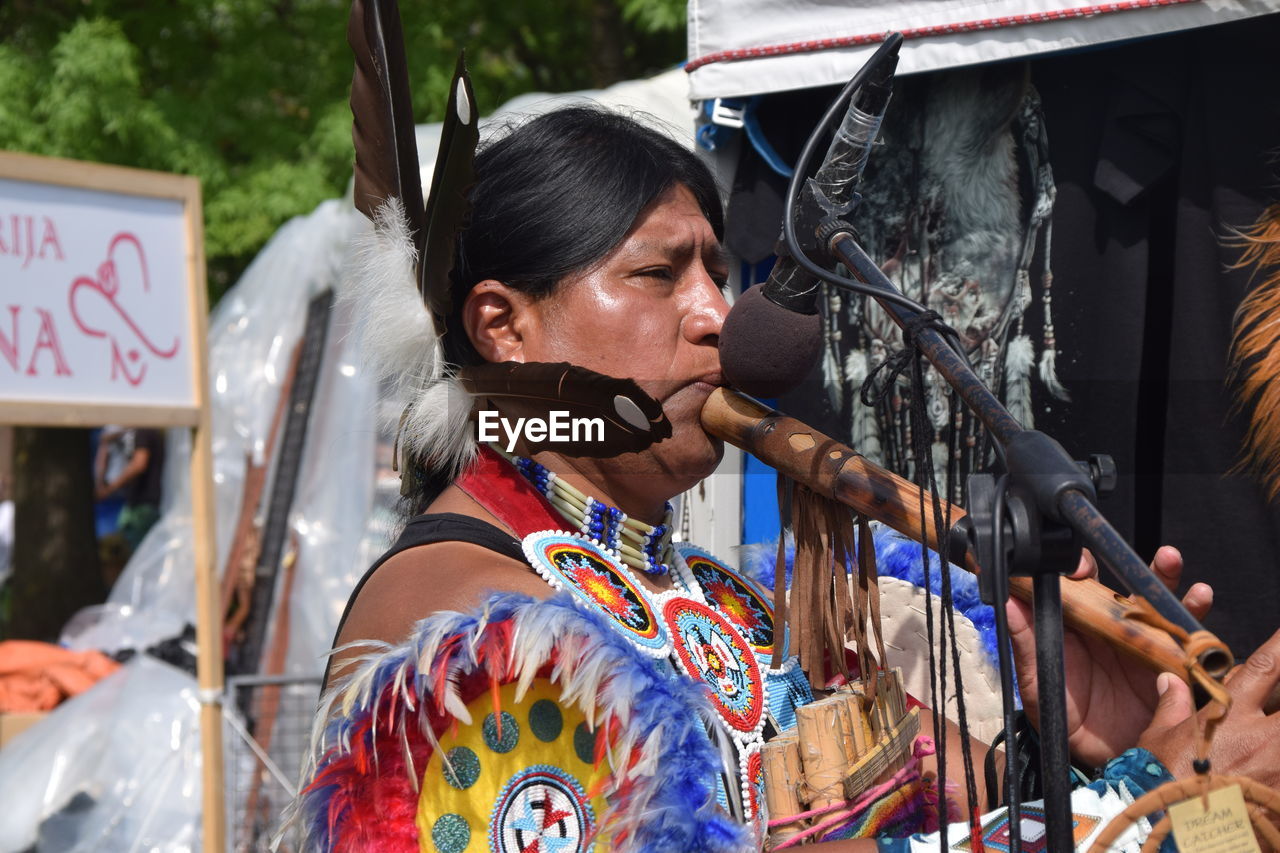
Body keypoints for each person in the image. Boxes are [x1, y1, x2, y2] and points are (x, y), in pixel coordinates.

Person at [293, 105, 1280, 853]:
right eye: (656, 274)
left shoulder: (717, 606)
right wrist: (1169, 808)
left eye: (714, 271)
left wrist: (1085, 749)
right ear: (502, 327)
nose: (717, 316)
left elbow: (972, 817)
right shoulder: (479, 628)